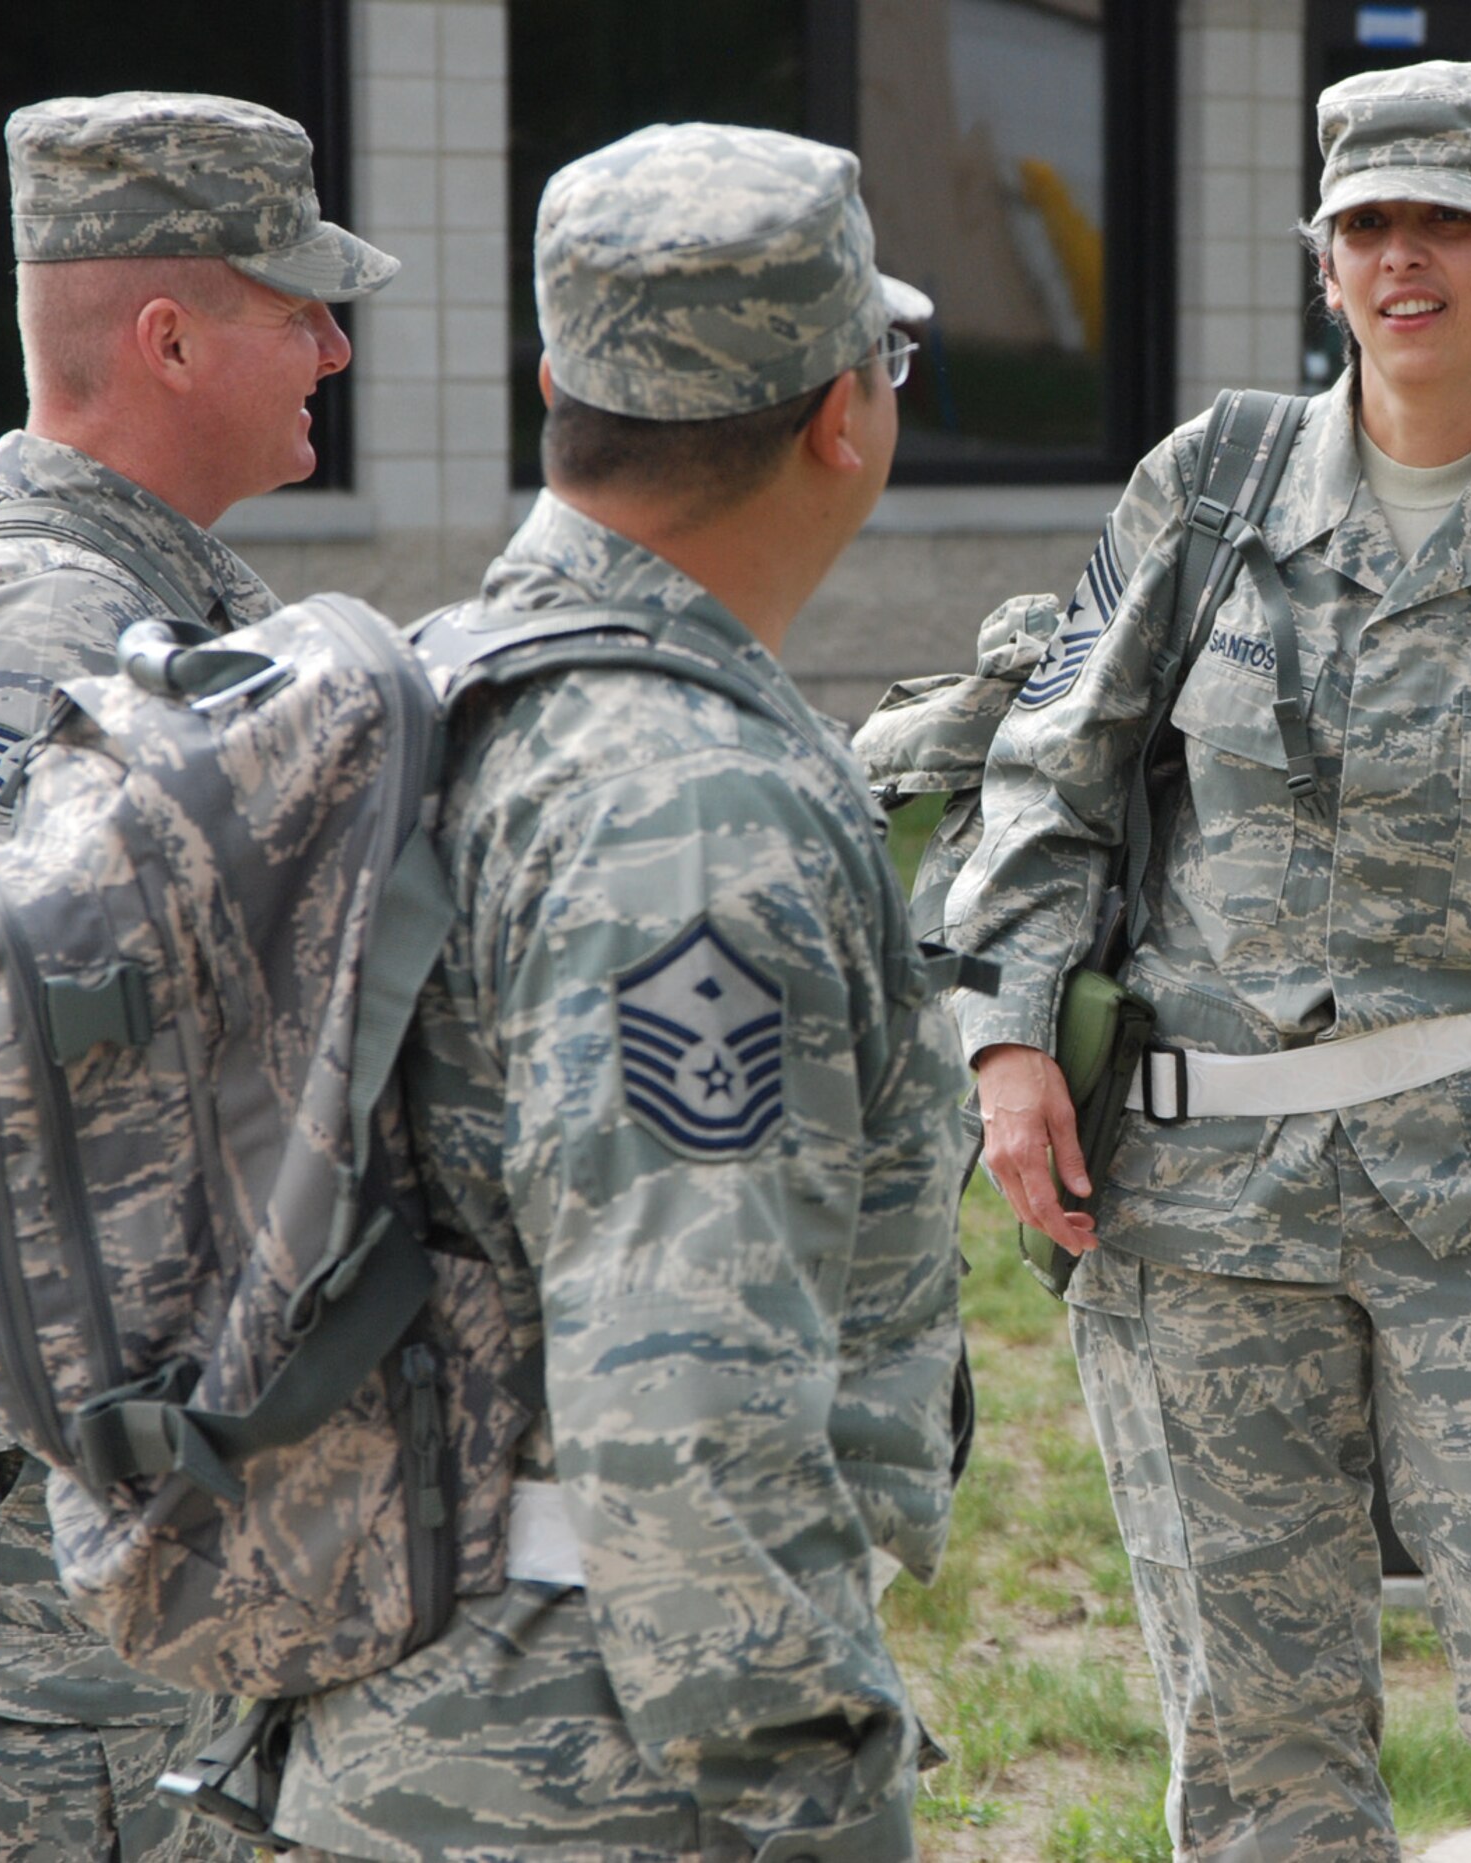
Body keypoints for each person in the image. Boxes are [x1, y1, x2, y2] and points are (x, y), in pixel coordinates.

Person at [947, 60, 1471, 1863]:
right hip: (1197, 1208)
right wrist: (1012, 1043)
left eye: (1449, 224)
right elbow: (1054, 767)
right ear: (1324, 262)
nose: (1404, 257)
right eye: (1369, 226)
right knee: (1259, 1754)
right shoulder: (1211, 483)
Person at [268, 122, 970, 1862]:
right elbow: (687, 1410)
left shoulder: (436, 692)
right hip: (598, 1767)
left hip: (384, 1698)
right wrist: (821, 1793)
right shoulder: (685, 809)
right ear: (841, 413)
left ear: (557, 388)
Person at [0, 90, 396, 1858]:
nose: (331, 341)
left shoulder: (130, 605)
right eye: (292, 303)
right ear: (166, 337)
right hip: (13, 1630)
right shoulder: (59, 632)